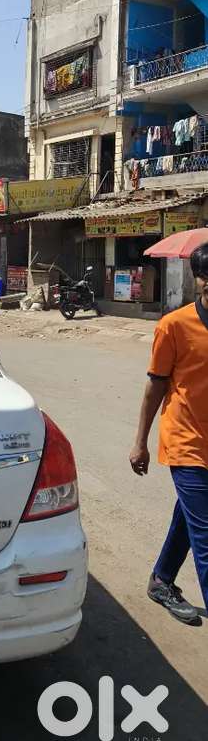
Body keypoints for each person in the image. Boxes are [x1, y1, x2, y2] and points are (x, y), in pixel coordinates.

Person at [129, 243, 208, 624]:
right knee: (206, 535)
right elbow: (155, 387)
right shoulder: (174, 326)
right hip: (186, 441)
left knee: (189, 517)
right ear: (199, 281)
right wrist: (139, 442)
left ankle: (161, 580)